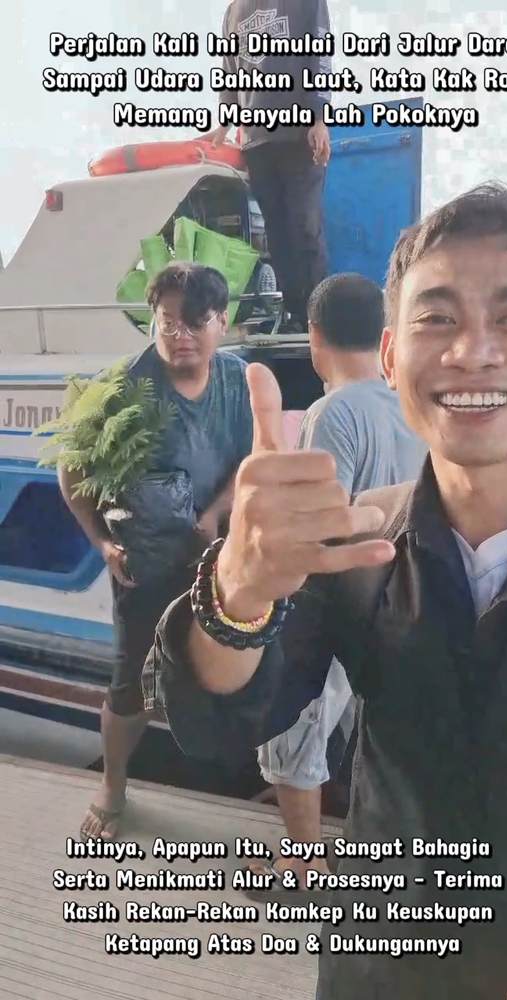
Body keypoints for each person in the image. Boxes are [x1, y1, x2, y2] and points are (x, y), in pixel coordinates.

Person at [145, 182, 507, 999]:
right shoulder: (359, 547)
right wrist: (239, 591)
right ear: (389, 357)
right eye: (436, 318)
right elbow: (216, 723)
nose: (472, 351)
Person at [58, 262, 254, 841]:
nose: (180, 335)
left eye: (196, 322)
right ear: (152, 320)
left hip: (218, 561)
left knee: (229, 673)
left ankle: (236, 782)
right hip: (143, 568)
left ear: (222, 322)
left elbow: (251, 460)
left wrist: (215, 512)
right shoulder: (120, 387)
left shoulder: (238, 380)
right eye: (168, 321)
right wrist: (103, 544)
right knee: (129, 687)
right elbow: (71, 472)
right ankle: (112, 786)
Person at [249, 273, 426, 894]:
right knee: (358, 736)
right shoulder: (408, 406)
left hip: (338, 604)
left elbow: (320, 525)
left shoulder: (333, 411)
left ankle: (302, 867)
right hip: (394, 601)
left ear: (314, 335)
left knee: (295, 734)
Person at [205, 0, 332, 332]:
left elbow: (319, 54)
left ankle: (318, 319)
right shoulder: (234, 10)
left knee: (305, 227)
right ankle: (293, 314)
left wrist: (319, 118)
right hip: (256, 141)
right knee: (276, 232)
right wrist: (224, 123)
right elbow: (229, 70)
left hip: (297, 134)